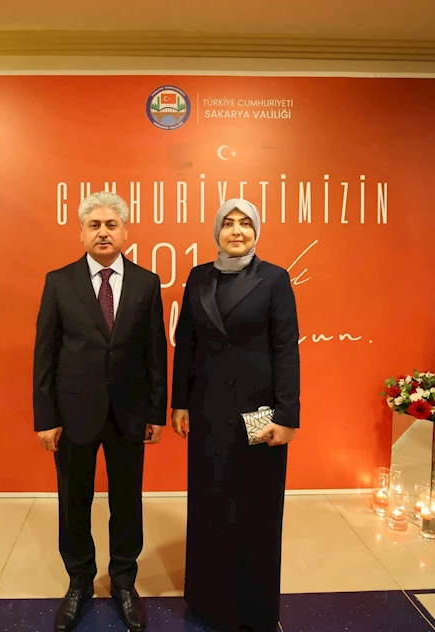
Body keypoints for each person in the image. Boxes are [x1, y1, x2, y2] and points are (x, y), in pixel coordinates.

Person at [33, 191, 167, 632]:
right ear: (82, 233)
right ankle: (79, 581)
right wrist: (46, 417)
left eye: (111, 225)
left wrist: (155, 412)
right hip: (73, 414)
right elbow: (45, 355)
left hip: (129, 413)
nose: (103, 232)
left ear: (125, 232)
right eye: (95, 225)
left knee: (127, 501)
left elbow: (155, 353)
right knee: (75, 500)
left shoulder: (147, 283)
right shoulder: (59, 282)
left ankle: (124, 581)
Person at [170, 198, 301, 632]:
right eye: (228, 224)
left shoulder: (274, 278)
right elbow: (186, 344)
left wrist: (287, 415)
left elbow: (286, 349)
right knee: (209, 504)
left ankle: (254, 607)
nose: (237, 231)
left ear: (256, 231)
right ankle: (207, 601)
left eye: (245, 224)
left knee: (256, 511)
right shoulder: (198, 276)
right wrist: (180, 402)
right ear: (217, 231)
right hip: (208, 412)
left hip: (258, 416)